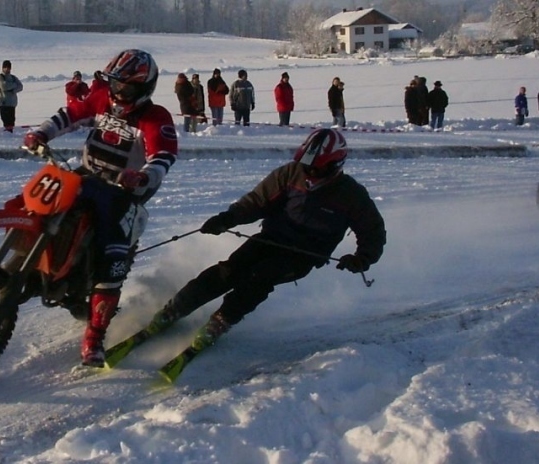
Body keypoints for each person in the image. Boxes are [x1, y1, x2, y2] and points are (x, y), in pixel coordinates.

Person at [142, 128, 386, 353]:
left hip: (304, 255)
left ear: (335, 165)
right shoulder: (290, 173)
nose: (309, 172)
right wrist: (227, 219)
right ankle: (174, 309)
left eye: (316, 169)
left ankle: (220, 321)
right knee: (228, 270)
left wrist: (362, 258)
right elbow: (256, 202)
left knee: (260, 277)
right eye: (305, 165)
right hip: (270, 239)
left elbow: (373, 231)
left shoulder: (351, 194)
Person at [22, 49, 178, 367]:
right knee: (38, 205)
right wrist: (41, 132)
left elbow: (163, 156)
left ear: (143, 88)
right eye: (115, 84)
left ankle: (94, 337)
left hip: (122, 192)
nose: (118, 92)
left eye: (126, 87)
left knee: (112, 256)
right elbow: (71, 114)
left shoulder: (155, 117)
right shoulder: (101, 99)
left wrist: (143, 176)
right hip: (86, 176)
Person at [0, 60, 23, 131]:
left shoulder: (13, 77)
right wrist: (14, 85)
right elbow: (4, 86)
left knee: (11, 122)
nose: (7, 69)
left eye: (9, 67)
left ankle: (10, 133)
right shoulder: (0, 77)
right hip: (4, 103)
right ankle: (7, 134)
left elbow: (20, 86)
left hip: (12, 104)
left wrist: (13, 90)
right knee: (6, 122)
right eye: (5, 67)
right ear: (2, 68)